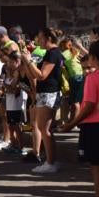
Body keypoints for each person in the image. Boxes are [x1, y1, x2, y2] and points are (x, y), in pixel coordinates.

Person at [59, 41, 99, 197]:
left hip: (93, 126)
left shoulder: (93, 77)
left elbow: (89, 105)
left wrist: (71, 123)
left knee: (98, 169)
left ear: (94, 58)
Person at [21, 28, 65, 173]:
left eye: (39, 37)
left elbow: (41, 75)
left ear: (48, 38)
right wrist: (28, 62)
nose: (37, 40)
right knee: (44, 128)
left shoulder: (53, 54)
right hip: (44, 93)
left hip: (49, 93)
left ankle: (51, 162)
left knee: (45, 129)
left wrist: (29, 61)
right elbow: (33, 74)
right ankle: (50, 160)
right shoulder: (49, 53)